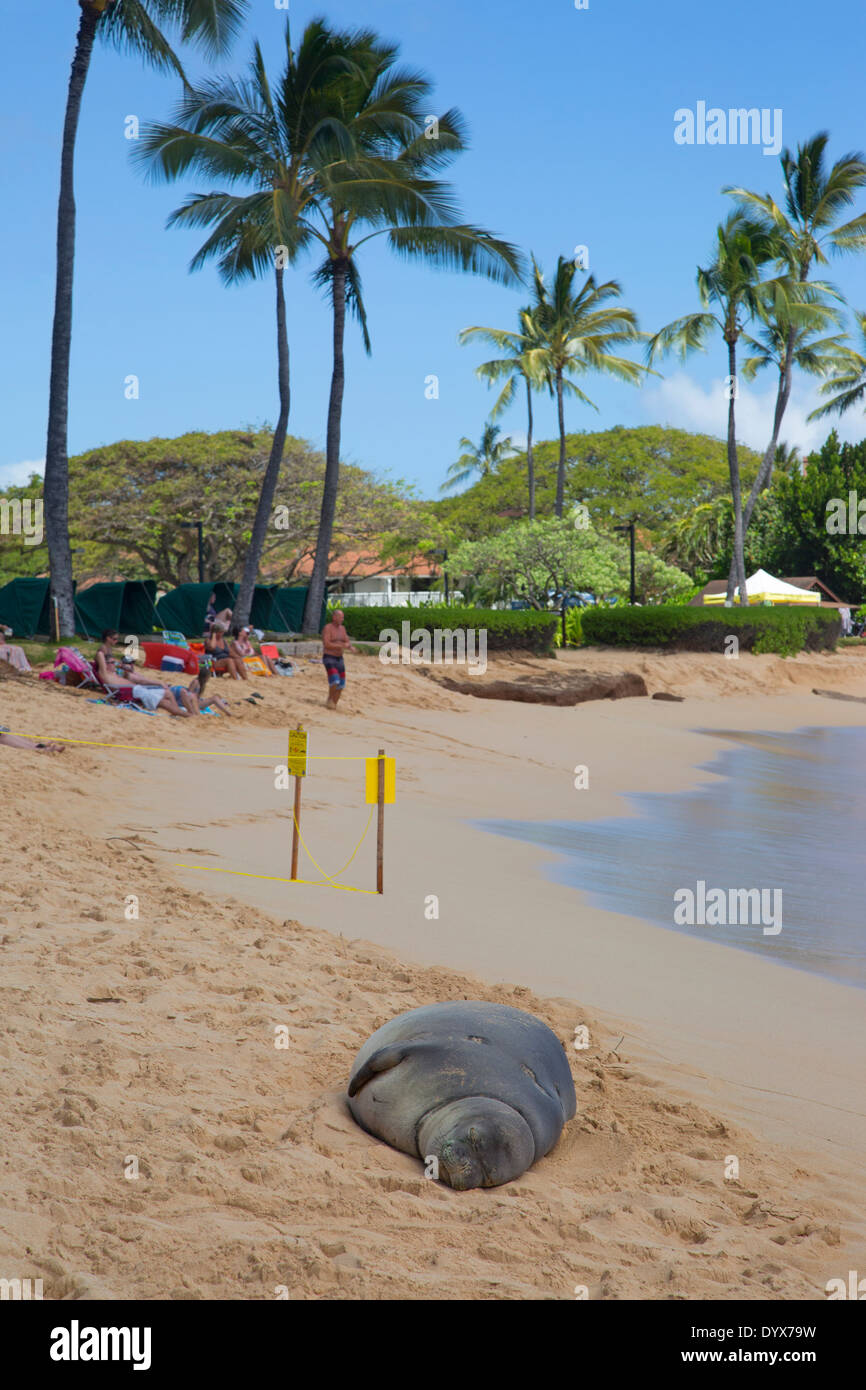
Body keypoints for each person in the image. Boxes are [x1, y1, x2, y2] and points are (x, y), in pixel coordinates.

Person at [94, 632, 187, 716]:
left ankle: (179, 711)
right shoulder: (105, 673)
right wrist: (102, 657)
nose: (116, 641)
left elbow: (111, 664)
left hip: (136, 690)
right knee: (164, 701)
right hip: (132, 692)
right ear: (107, 638)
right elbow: (101, 661)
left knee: (168, 693)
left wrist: (119, 665)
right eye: (114, 639)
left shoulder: (112, 671)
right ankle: (184, 714)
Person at [321, 609, 356, 710]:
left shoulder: (342, 629)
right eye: (340, 617)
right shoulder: (328, 628)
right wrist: (341, 645)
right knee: (335, 681)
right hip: (329, 657)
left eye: (343, 617)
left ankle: (333, 704)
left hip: (339, 658)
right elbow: (326, 644)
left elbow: (346, 641)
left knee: (341, 684)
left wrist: (350, 647)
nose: (342, 619)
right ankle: (329, 699)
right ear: (334, 617)